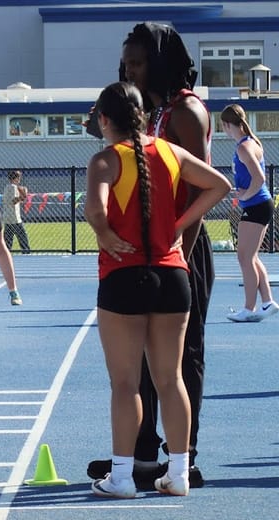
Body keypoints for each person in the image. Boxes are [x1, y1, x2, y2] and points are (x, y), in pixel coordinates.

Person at [84, 81, 230, 498]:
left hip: (123, 277)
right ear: (145, 116)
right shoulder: (170, 152)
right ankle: (180, 473)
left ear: (104, 119)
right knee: (171, 379)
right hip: (172, 276)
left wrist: (106, 233)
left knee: (125, 383)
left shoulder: (105, 160)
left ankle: (122, 476)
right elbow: (218, 185)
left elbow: (94, 207)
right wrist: (180, 226)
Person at [220, 103, 278, 322]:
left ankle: (249, 307)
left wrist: (244, 196)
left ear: (226, 125)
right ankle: (267, 302)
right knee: (250, 256)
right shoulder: (250, 142)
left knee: (244, 257)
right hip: (258, 205)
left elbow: (260, 178)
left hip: (256, 205)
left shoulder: (244, 147)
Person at [1, 170, 31, 254]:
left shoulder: (8, 187)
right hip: (14, 218)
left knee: (8, 238)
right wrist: (23, 196)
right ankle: (26, 252)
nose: (20, 179)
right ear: (16, 178)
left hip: (8, 217)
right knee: (22, 236)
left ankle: (6, 253)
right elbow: (13, 201)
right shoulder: (12, 187)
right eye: (19, 177)